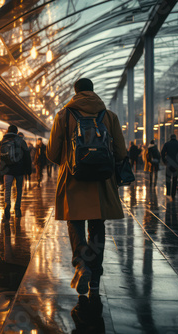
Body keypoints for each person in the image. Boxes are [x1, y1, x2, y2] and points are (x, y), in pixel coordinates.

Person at [47, 78, 126, 296]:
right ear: (93, 91)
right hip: (101, 181)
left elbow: (52, 154)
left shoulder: (64, 115)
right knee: (97, 225)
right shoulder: (109, 116)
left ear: (75, 92)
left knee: (75, 222)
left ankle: (80, 264)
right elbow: (120, 152)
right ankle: (95, 272)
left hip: (74, 179)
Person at [0, 125, 31, 219]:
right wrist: (28, 170)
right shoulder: (21, 141)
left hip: (7, 170)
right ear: (16, 132)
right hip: (19, 170)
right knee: (19, 189)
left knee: (7, 189)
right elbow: (27, 156)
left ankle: (7, 206)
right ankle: (17, 209)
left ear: (8, 131)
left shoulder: (3, 141)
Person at [161, 134, 178, 199]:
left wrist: (164, 161)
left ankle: (168, 192)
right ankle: (173, 193)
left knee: (168, 178)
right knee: (175, 179)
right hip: (176, 164)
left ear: (170, 138)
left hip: (169, 164)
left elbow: (162, 153)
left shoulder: (167, 144)